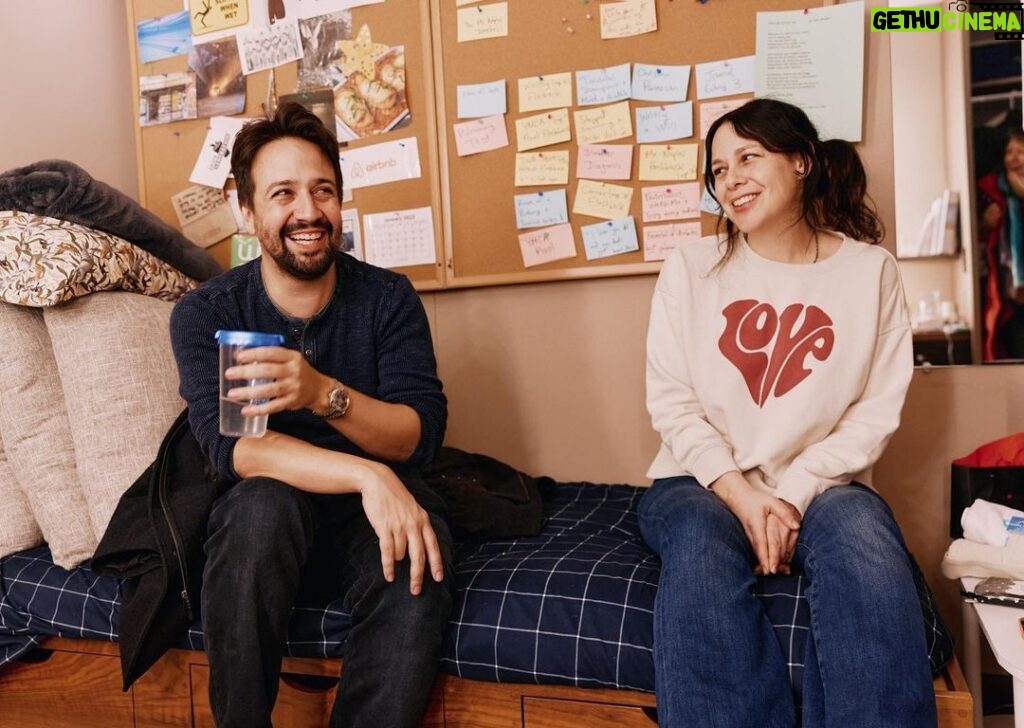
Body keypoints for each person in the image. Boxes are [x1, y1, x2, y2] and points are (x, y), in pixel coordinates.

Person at [638, 98, 936, 727]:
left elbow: (873, 414)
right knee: (697, 543)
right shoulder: (690, 268)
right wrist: (744, 498)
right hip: (699, 481)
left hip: (826, 486)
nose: (731, 179)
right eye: (718, 171)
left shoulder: (869, 271)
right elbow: (672, 401)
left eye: (748, 157)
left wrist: (793, 494)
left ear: (802, 160)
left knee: (863, 538)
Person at [168, 101, 453, 728]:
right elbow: (238, 451)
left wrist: (323, 391)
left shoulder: (386, 299)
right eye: (283, 193)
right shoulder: (211, 314)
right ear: (246, 210)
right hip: (272, 509)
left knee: (416, 549)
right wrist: (366, 475)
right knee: (258, 510)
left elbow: (418, 435)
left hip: (364, 519)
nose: (308, 211)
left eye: (323, 191)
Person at [978, 126, 1024, 360]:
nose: (1013, 158)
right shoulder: (992, 190)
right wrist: (984, 225)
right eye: (1009, 152)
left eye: (1020, 151)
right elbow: (980, 241)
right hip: (1010, 293)